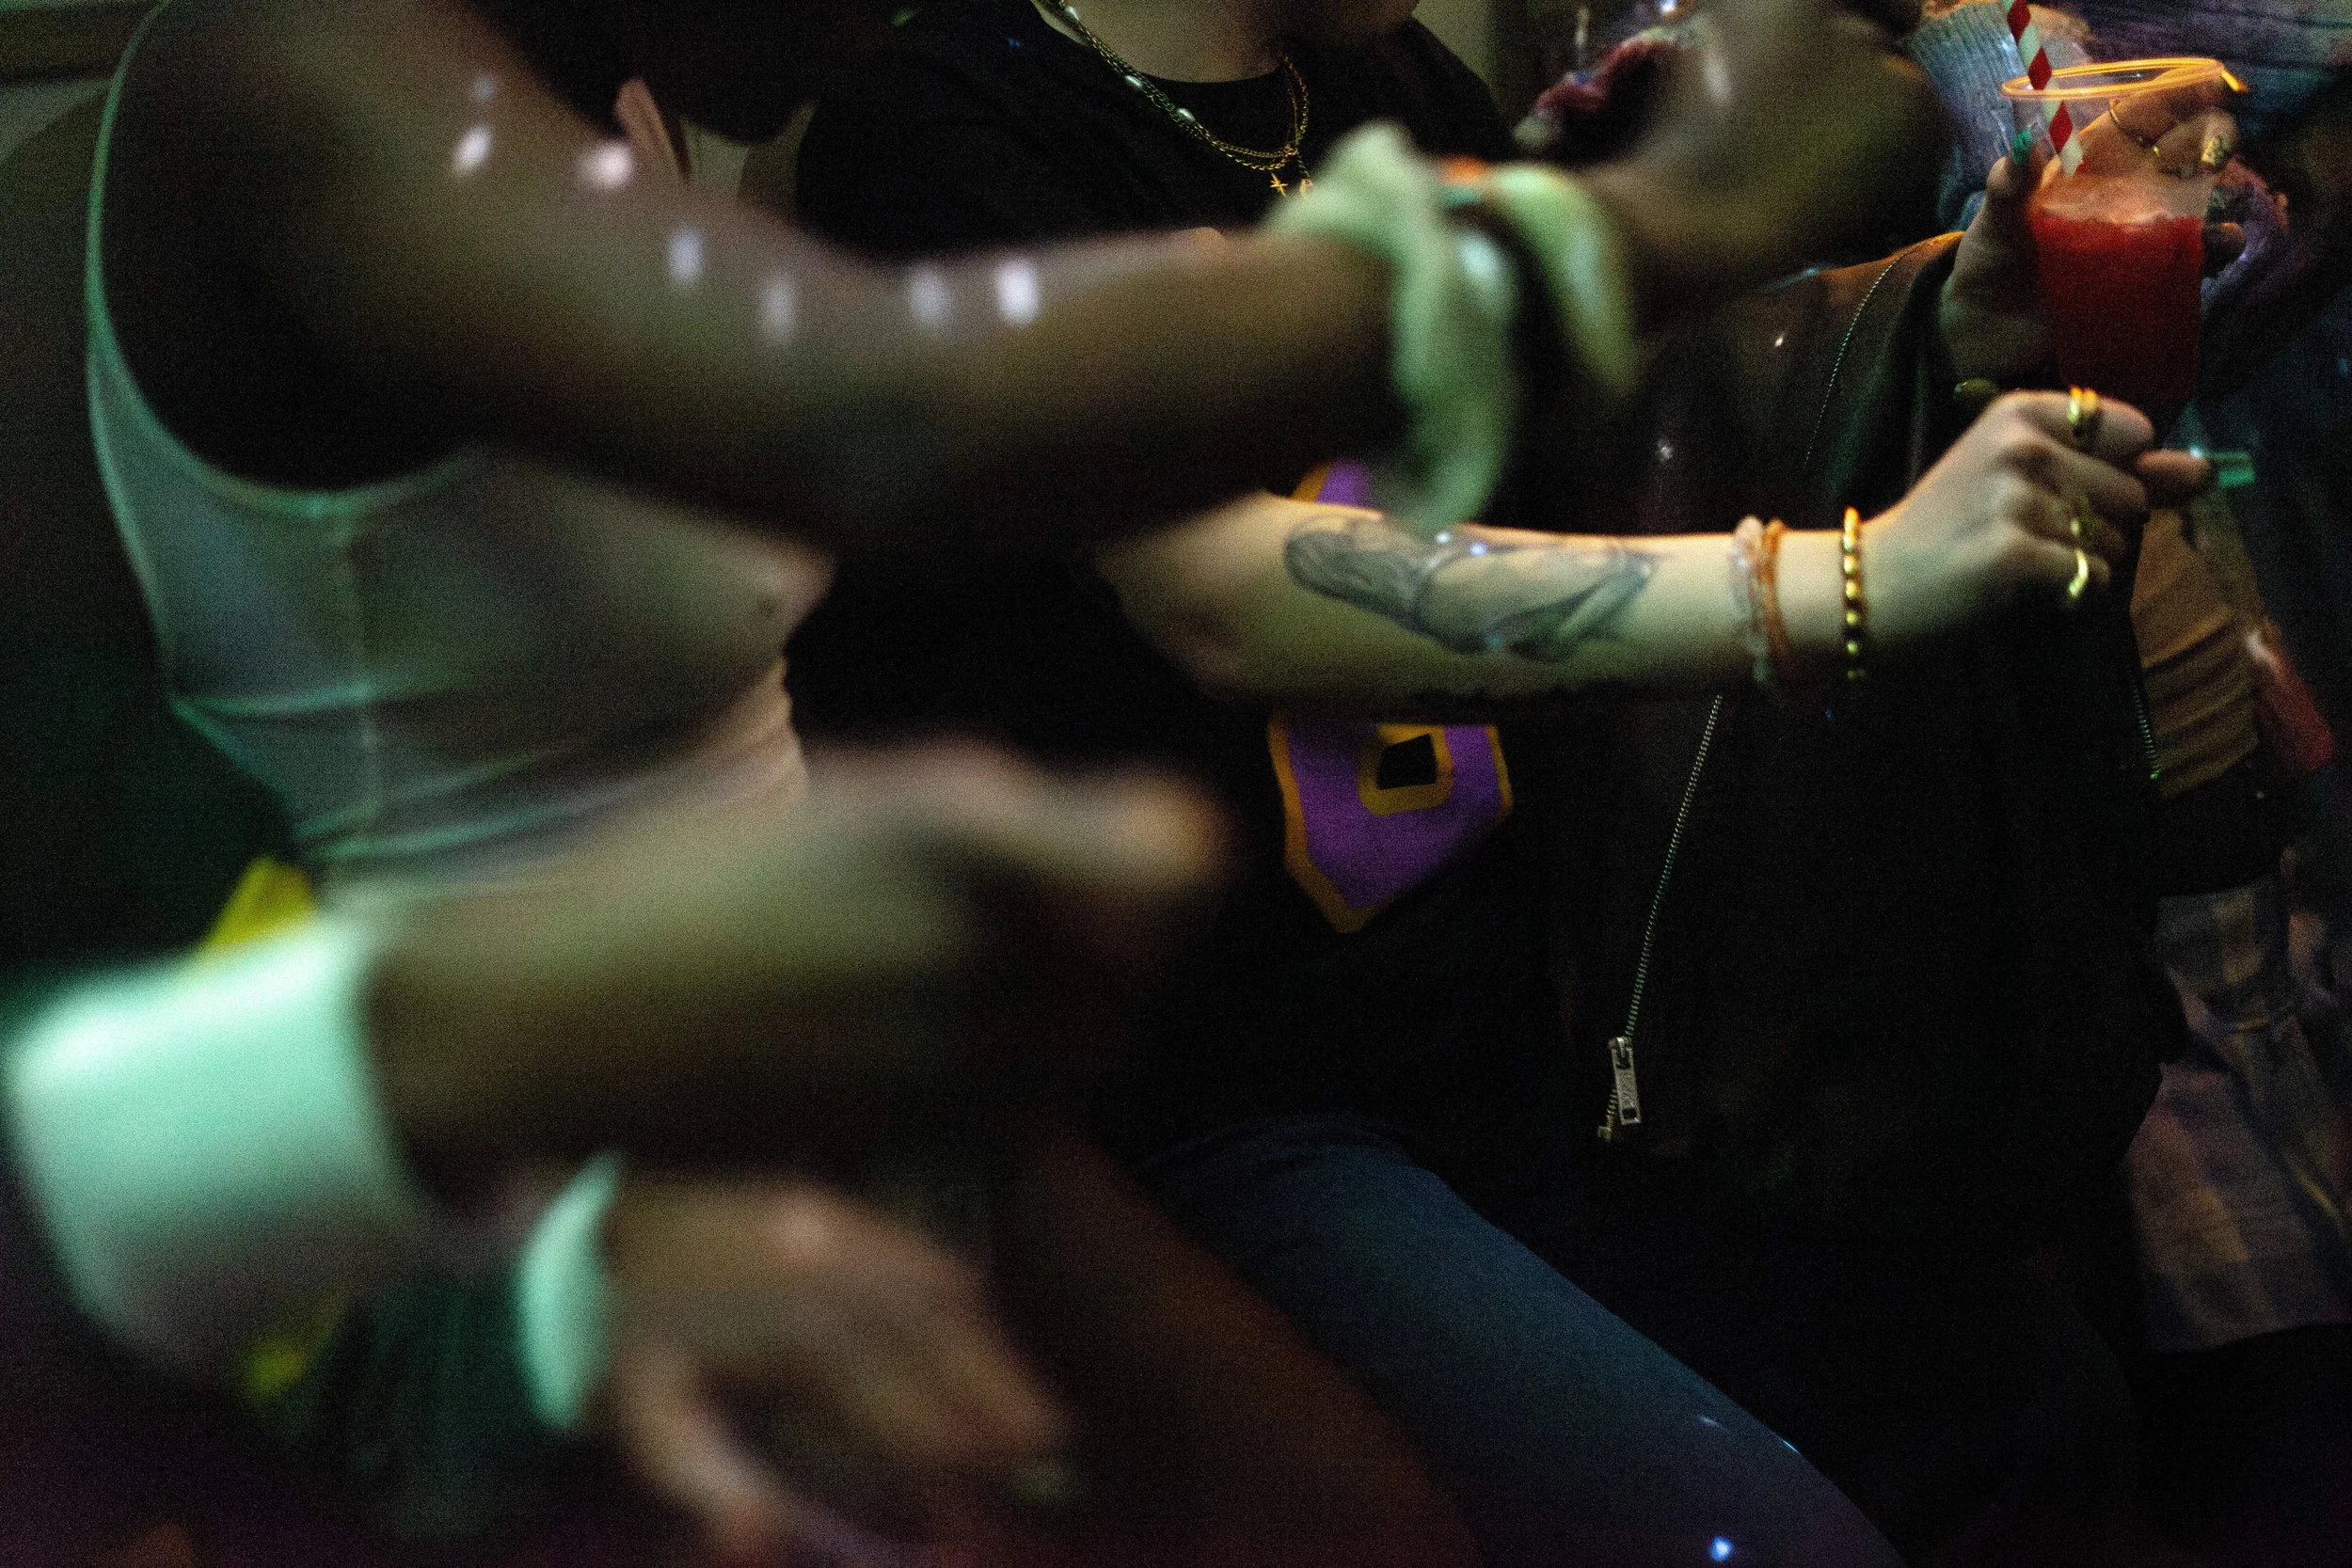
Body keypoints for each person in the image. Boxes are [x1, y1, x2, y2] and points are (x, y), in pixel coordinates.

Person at [71, 0, 1946, 1560]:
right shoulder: (293, 66)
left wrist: (1892, 322)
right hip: (512, 1133)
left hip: (821, 1044)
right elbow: (873, 413)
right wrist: (1626, 224)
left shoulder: (617, 93)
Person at [787, 2, 2211, 1562]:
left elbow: (1612, 420)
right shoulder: (944, 132)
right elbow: (1231, 591)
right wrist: (1843, 584)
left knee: (2030, 1403)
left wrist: (1941, 324)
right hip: (1222, 1089)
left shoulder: (1382, 82)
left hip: (1529, 1023)